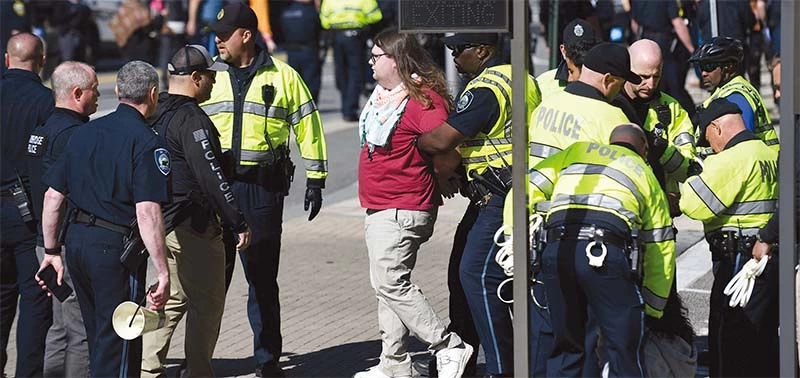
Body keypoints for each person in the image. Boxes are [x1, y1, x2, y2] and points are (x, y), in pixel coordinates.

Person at [201, 3, 328, 376]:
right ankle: (199, 361)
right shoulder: (208, 75)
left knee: (261, 280)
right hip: (216, 190)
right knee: (210, 282)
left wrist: (317, 179)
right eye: (216, 34)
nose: (218, 40)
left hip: (261, 192)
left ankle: (267, 360)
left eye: (225, 35)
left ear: (246, 35)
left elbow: (309, 126)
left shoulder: (284, 76)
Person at [35, 60, 171, 378]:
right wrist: (163, 272)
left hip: (77, 245)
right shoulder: (146, 141)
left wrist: (52, 252)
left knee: (97, 335)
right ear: (153, 94)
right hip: (114, 250)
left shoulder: (84, 133)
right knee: (120, 338)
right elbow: (147, 211)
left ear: (119, 91)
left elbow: (53, 197)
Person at [416, 32, 541, 376]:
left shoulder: (486, 89)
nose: (455, 57)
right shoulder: (523, 78)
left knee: (478, 276)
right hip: (504, 191)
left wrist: (416, 139)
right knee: (462, 271)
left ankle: (503, 367)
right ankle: (463, 360)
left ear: (483, 50)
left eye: (460, 50)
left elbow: (442, 139)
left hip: (499, 197)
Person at [354, 29, 472, 378]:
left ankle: (447, 346)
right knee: (385, 285)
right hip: (380, 205)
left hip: (403, 207)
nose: (371, 62)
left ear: (397, 60)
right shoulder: (384, 96)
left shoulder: (422, 100)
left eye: (376, 56)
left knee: (391, 282)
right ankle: (394, 364)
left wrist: (445, 174)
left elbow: (447, 143)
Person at [140, 45, 252, 378]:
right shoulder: (193, 120)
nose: (215, 83)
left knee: (171, 298)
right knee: (207, 304)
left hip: (161, 224)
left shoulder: (153, 113)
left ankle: (147, 369)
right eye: (211, 77)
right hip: (194, 226)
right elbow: (210, 175)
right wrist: (237, 220)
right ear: (195, 78)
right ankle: (199, 372)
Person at [531, 124, 675, 377]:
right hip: (603, 254)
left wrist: (512, 235)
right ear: (644, 149)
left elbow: (526, 188)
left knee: (566, 347)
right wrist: (653, 306)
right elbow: (659, 244)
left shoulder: (575, 151)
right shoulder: (643, 170)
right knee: (623, 347)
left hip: (557, 249)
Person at [678, 98, 779, 377]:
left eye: (707, 137)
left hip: (738, 260)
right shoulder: (769, 151)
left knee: (730, 339)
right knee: (764, 338)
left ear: (716, 128)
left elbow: (693, 203)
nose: (709, 145)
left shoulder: (732, 159)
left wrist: (690, 179)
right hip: (768, 258)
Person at [25, 61, 97, 378]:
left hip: (46, 241)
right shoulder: (77, 135)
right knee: (79, 330)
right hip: (66, 245)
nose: (98, 97)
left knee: (58, 327)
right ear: (78, 92)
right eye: (95, 90)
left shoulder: (41, 131)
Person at [0, 31, 54, 378]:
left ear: (7, 60)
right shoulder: (45, 101)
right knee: (35, 303)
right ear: (42, 62)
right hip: (28, 215)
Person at [617, 39, 696, 196]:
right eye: (643, 77)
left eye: (656, 76)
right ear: (627, 69)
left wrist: (661, 150)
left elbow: (688, 168)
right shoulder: (609, 105)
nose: (651, 85)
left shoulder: (671, 108)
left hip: (660, 207)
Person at [690, 37, 779, 150]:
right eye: (701, 67)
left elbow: (741, 145)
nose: (703, 73)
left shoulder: (737, 97)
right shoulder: (726, 90)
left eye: (709, 66)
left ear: (729, 66)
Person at [319, 0, 383, 122]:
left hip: (337, 36)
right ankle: (351, 109)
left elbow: (324, 21)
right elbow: (376, 16)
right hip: (356, 37)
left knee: (341, 73)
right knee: (355, 73)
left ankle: (345, 107)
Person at [629, 0, 695, 116]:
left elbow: (634, 23)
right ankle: (689, 116)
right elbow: (677, 23)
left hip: (645, 41)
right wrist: (692, 49)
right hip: (666, 47)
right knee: (675, 88)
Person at [536, 18, 599, 97]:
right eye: (573, 53)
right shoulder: (542, 83)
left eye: (585, 51)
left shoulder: (602, 84)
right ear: (563, 51)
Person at [281, 0, 322, 102]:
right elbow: (319, 29)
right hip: (309, 51)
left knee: (294, 82)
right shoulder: (310, 11)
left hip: (291, 52)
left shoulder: (286, 12)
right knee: (311, 83)